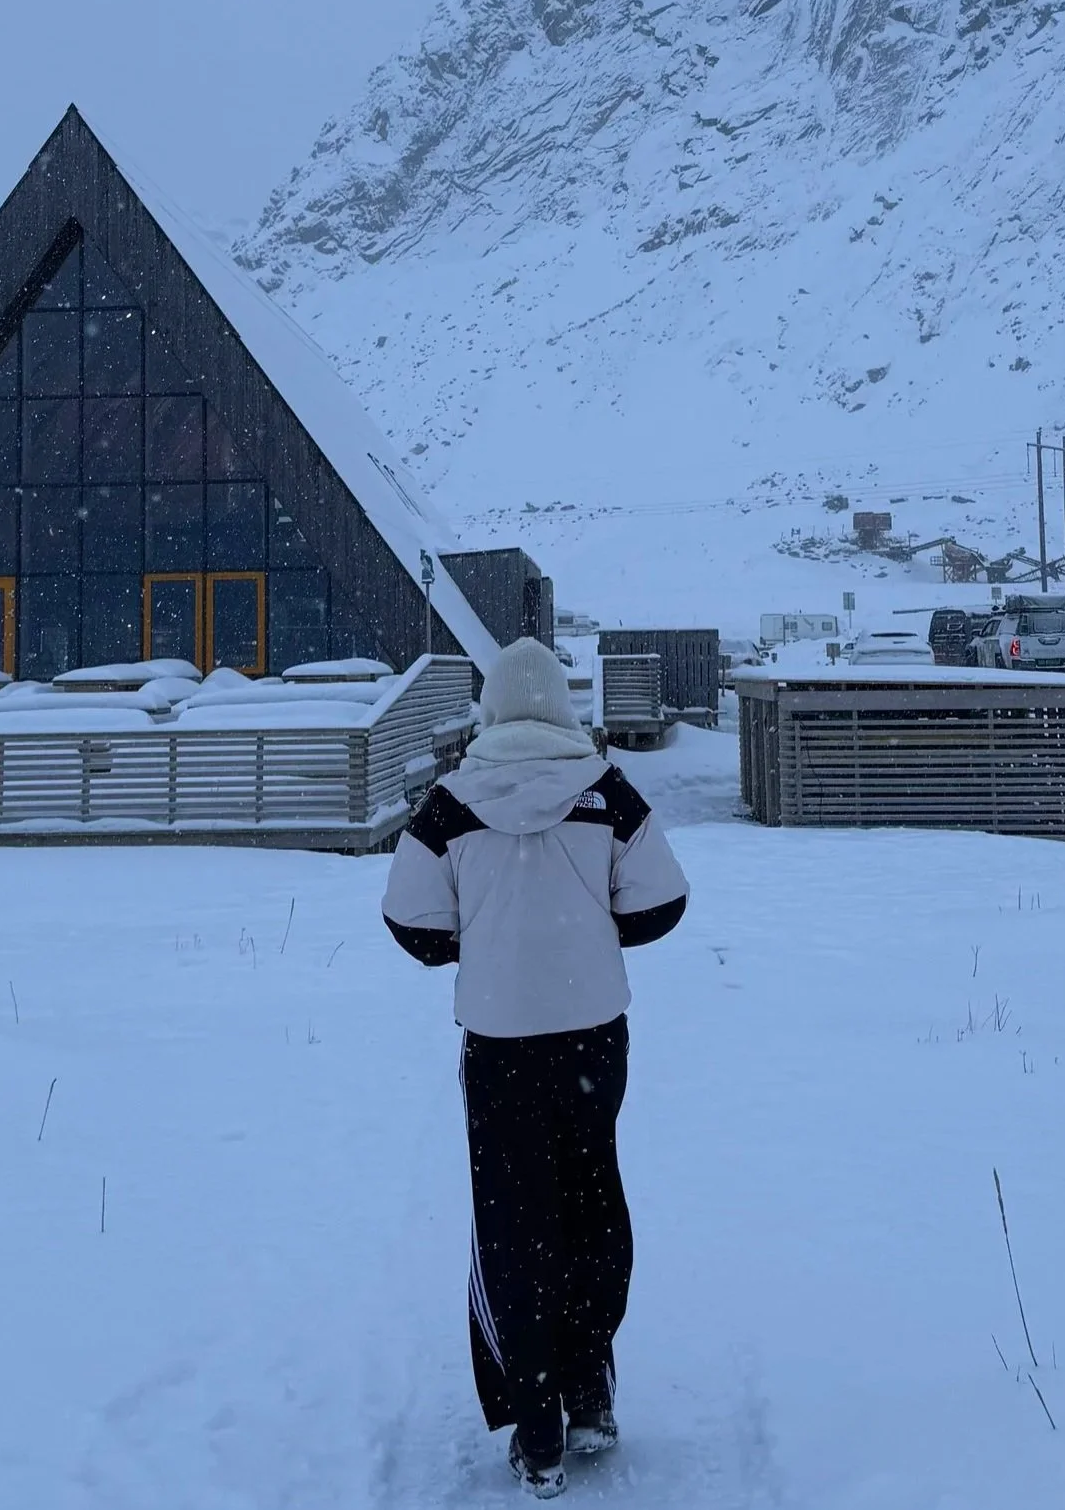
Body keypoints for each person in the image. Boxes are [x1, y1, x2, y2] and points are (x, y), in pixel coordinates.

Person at [381, 637, 690, 1499]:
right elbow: (662, 900)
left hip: (501, 1046)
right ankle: (591, 1389)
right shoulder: (605, 790)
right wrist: (592, 934)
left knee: (513, 1221)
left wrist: (477, 946)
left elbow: (410, 920)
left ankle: (538, 1424)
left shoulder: (449, 803)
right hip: (593, 1035)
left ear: (490, 708)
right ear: (559, 700)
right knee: (593, 1197)